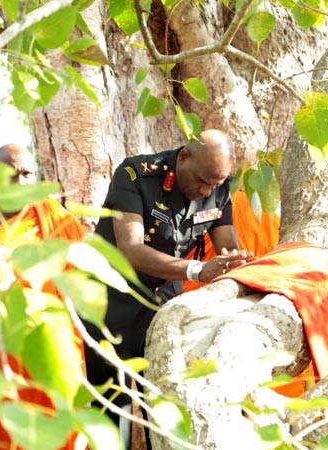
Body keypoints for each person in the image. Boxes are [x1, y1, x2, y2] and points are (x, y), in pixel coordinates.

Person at [84, 129, 254, 448]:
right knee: (114, 417)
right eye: (202, 181)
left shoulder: (218, 187)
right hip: (110, 306)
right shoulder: (135, 175)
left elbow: (227, 246)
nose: (206, 190)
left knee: (164, 416)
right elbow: (131, 249)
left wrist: (238, 262)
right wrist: (197, 270)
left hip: (163, 311)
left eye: (215, 185)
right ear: (184, 157)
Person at [0, 144, 85, 450]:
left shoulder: (60, 220)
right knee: (0, 426)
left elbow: (81, 279)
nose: (21, 183)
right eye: (11, 176)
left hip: (51, 342)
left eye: (27, 174)